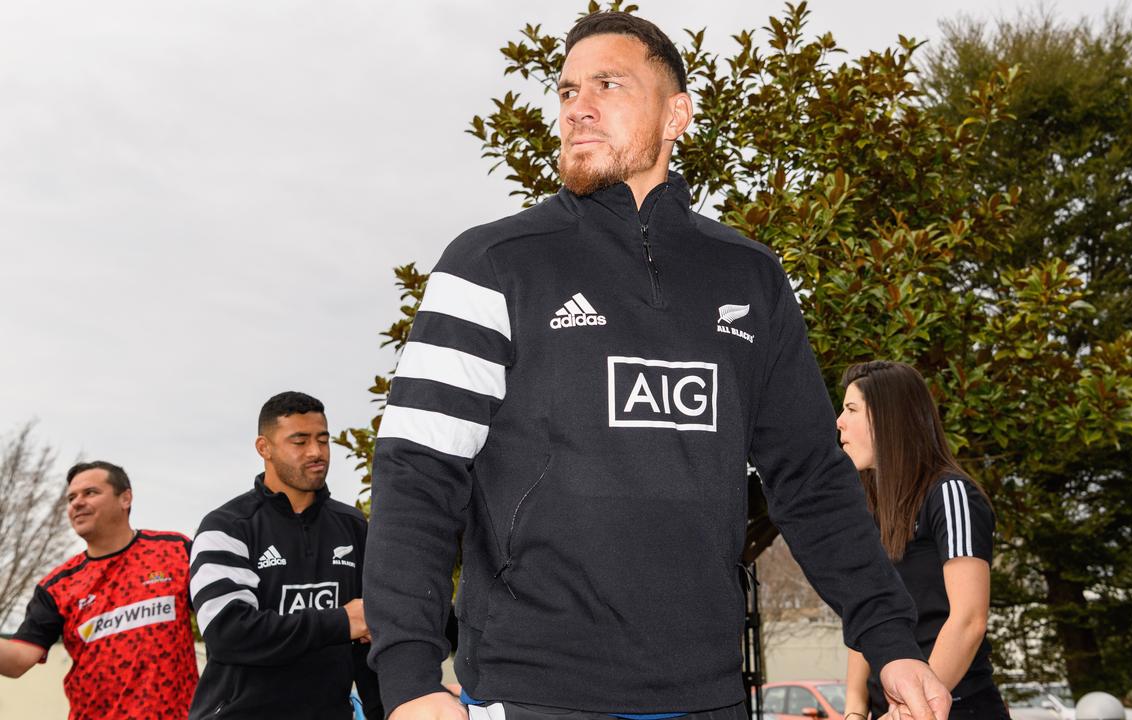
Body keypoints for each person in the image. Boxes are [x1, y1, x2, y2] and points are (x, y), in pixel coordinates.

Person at [365, 11, 950, 720]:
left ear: (677, 114)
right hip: (532, 691)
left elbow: (811, 477)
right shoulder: (491, 264)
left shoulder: (750, 276)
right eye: (567, 90)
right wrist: (409, 681)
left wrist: (890, 639)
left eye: (607, 84)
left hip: (709, 695)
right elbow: (417, 471)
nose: (578, 106)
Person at [188, 391, 383, 719]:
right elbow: (228, 632)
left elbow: (371, 637)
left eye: (323, 440)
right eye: (299, 441)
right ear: (264, 448)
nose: (316, 452)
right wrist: (339, 621)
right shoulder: (226, 527)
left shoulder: (352, 526)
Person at [836, 361, 1009, 720]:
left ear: (888, 419)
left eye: (851, 409)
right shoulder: (868, 510)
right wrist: (854, 710)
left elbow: (969, 620)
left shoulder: (950, 495)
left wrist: (913, 711)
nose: (839, 421)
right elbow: (868, 614)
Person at [0, 461, 198, 719]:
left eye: (90, 493)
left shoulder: (175, 551)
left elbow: (227, 619)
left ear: (125, 498)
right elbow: (17, 660)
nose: (77, 503)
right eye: (71, 497)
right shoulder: (58, 586)